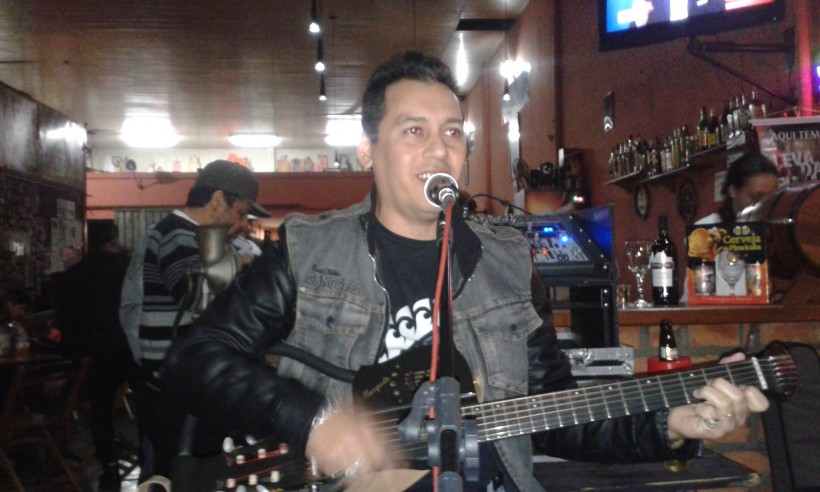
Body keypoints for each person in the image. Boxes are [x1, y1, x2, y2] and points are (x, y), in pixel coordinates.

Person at [161, 51, 769, 491]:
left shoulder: (507, 262)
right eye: (414, 130)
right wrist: (312, 420)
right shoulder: (308, 252)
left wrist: (670, 423)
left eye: (452, 132)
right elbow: (194, 360)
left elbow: (552, 415)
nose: (439, 148)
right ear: (368, 150)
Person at [119, 159, 268, 482]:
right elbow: (199, 295)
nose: (243, 224)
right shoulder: (177, 234)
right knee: (179, 474)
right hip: (174, 389)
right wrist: (251, 269)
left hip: (187, 384)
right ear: (217, 200)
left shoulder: (187, 235)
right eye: (241, 213)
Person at [54, 222, 139, 491]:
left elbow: (65, 323)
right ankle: (152, 461)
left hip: (95, 356)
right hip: (132, 348)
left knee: (100, 412)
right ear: (112, 241)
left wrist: (74, 355)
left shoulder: (74, 275)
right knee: (146, 408)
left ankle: (109, 467)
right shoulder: (128, 268)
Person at [697, 152, 779, 225]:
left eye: (770, 199)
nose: (763, 205)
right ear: (733, 191)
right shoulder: (707, 227)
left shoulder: (776, 224)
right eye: (755, 197)